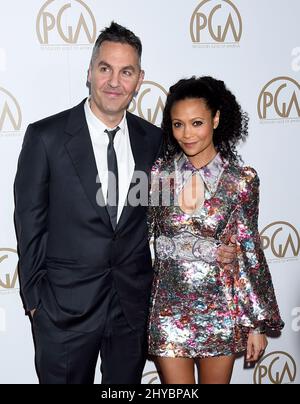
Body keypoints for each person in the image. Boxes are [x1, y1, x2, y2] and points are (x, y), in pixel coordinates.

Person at [14, 22, 236, 384]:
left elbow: (177, 215)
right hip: (64, 312)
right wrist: (37, 303)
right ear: (90, 72)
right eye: (106, 69)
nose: (114, 82)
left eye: (126, 72)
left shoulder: (156, 141)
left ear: (139, 79)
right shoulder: (46, 137)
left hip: (131, 309)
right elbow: (29, 224)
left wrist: (217, 249)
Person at [147, 76, 284, 384]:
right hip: (168, 310)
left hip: (221, 309)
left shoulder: (241, 181)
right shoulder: (159, 175)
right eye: (178, 124)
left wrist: (256, 324)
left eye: (197, 123)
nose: (186, 134)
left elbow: (249, 253)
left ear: (216, 119)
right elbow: (141, 238)